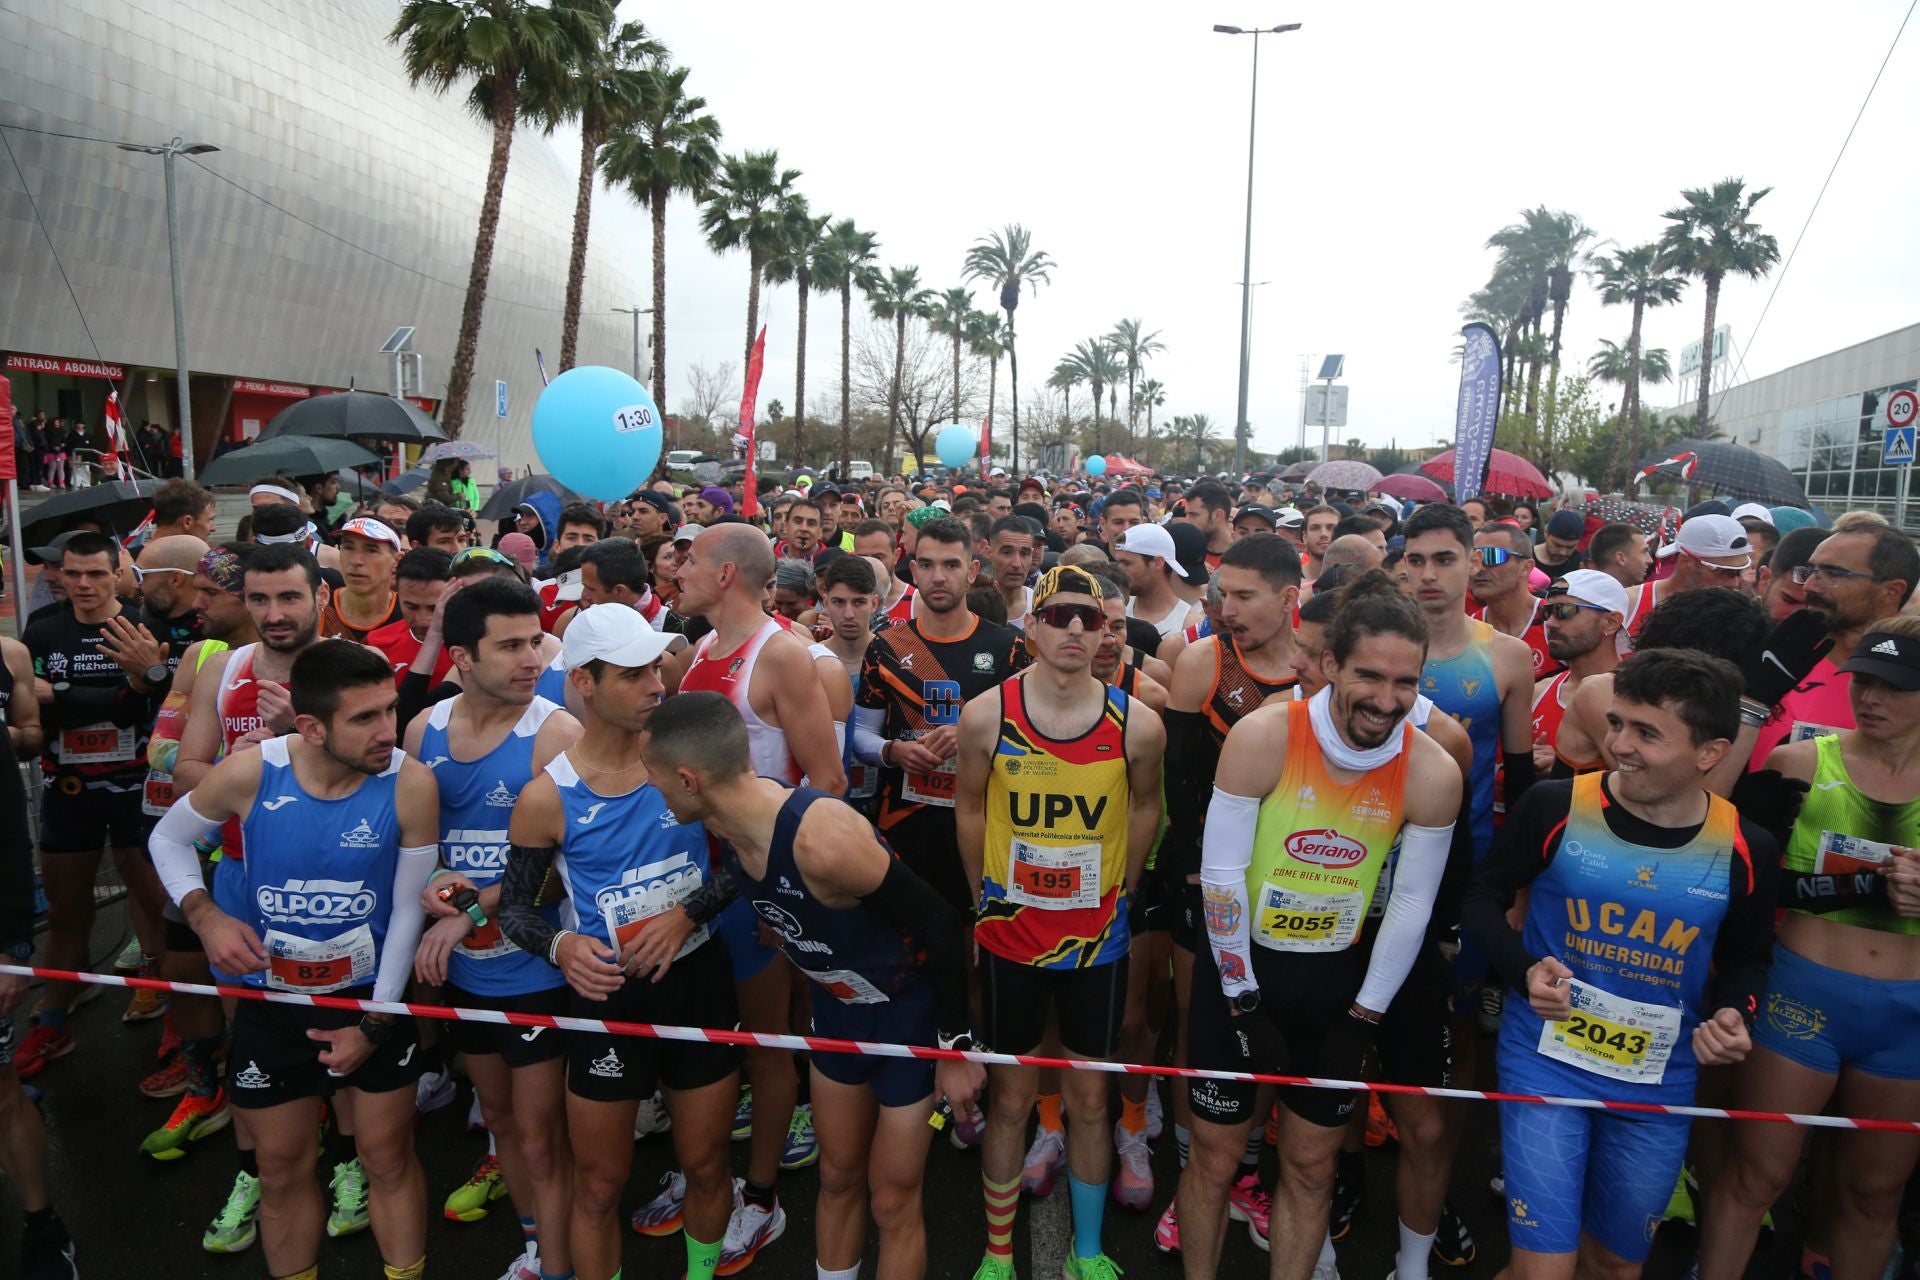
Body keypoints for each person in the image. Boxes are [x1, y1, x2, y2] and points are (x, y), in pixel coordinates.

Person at [641, 691, 984, 1280]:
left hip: (909, 1025)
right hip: (837, 1019)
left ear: (689, 780)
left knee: (892, 1200)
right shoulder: (735, 826)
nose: (653, 793)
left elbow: (940, 925)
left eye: (655, 780)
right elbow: (744, 873)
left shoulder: (821, 838)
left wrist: (955, 1049)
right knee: (837, 1178)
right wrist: (704, 917)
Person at [1464, 649, 1778, 1280]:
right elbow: (1479, 899)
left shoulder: (1748, 846)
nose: (1619, 745)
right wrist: (1522, 969)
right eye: (1616, 724)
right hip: (1546, 1059)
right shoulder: (1555, 806)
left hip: (1658, 1078)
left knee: (1614, 1264)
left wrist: (1734, 1014)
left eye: (1646, 733)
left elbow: (1749, 959)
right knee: (1544, 1268)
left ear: (1710, 753)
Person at [1188, 570, 1462, 1280]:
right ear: (1330, 664)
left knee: (1310, 1165)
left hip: (1336, 982)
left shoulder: (1431, 770)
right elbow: (1220, 881)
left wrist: (1364, 1017)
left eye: (1407, 683)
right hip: (1238, 971)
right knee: (1216, 1159)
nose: (1387, 699)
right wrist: (1241, 998)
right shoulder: (1264, 736)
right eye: (1370, 675)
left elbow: (1410, 904)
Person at [149, 640, 438, 1280]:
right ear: (310, 727)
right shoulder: (252, 772)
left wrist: (373, 1025)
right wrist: (206, 913)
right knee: (281, 1168)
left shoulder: (410, 784)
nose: (387, 732)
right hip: (272, 1003)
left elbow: (407, 915)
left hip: (370, 997)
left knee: (386, 1156)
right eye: (364, 718)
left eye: (389, 710)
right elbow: (167, 838)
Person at [495, 605, 741, 1280]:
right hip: (612, 1000)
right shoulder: (548, 797)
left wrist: (688, 914)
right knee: (600, 1184)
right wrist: (560, 949)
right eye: (633, 674)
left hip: (698, 981)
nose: (656, 684)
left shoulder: (689, 759)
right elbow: (515, 909)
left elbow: (747, 859)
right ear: (584, 682)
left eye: (656, 666)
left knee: (707, 1163)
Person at [955, 565, 1166, 1280]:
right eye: (1060, 615)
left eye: (1090, 617)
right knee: (1011, 1097)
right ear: (1032, 626)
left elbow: (1145, 808)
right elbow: (970, 808)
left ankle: (1086, 1249)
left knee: (1087, 1096)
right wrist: (981, 898)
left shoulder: (1139, 723)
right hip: (1012, 934)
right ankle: (997, 1251)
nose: (1076, 629)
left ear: (1109, 631)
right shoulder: (987, 715)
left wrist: (1123, 890)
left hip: (1094, 942)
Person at [1697, 618, 1920, 1280]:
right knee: (1755, 1177)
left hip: (1905, 1016)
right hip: (1804, 993)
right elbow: (1713, 843)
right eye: (1864, 682)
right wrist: (1858, 885)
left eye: (1894, 687)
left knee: (1874, 1194)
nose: (1869, 699)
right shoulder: (1801, 759)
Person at [669, 522, 845, 1263]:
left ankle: (762, 1196)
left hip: (754, 885)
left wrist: (783, 892)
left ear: (727, 573)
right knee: (704, 1040)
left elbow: (828, 782)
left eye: (690, 560)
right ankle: (699, 1174)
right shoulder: (698, 654)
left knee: (767, 1046)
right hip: (692, 878)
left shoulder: (780, 656)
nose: (677, 569)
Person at [405, 578, 582, 1280]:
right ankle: (537, 1244)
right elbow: (424, 852)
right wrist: (448, 901)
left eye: (534, 641)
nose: (531, 658)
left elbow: (559, 870)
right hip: (468, 968)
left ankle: (559, 1266)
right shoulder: (426, 730)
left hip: (536, 969)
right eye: (509, 645)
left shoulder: (557, 731)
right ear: (461, 658)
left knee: (541, 1138)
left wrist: (469, 910)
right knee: (502, 1121)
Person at [1154, 533, 1304, 1252]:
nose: (1228, 607)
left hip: (1292, 884)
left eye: (1245, 596)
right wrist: (1193, 870)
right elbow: (1179, 784)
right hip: (1206, 882)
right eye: (1223, 593)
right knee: (1198, 1027)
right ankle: (1195, 1177)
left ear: (1288, 598)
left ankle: (1245, 1170)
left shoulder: (1320, 672)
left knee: (1269, 1031)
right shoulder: (1201, 660)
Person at [12, 533, 161, 1078]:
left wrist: (67, 694)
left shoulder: (141, 625)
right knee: (65, 910)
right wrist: (116, 694)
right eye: (72, 574)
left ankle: (178, 1015)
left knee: (154, 900)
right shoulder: (45, 630)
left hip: (134, 786)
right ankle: (55, 1018)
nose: (82, 585)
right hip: (68, 789)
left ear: (117, 570)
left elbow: (139, 706)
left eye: (96, 574)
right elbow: (41, 714)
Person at [1749, 522, 1919, 764]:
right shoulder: (1770, 658)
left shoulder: (1912, 681)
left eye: (1834, 573)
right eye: (1811, 571)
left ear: (1891, 591)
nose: (1809, 586)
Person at [1531, 570, 1625, 777]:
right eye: (1547, 612)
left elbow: (1644, 786)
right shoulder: (1539, 692)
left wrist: (1563, 769)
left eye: (1564, 610)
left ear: (1611, 622)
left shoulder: (1635, 694)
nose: (1550, 623)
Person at [1625, 515, 1754, 643]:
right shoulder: (1629, 603)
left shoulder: (1740, 616)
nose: (1735, 583)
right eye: (1724, 572)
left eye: (1739, 572)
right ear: (1686, 561)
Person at [1471, 522, 1561, 679]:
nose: (1480, 568)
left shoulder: (1555, 622)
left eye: (1493, 556)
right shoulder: (1469, 629)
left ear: (1526, 567)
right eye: (1473, 559)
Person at [365, 547, 455, 689]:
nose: (423, 620)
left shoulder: (477, 645)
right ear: (397, 593)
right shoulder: (376, 644)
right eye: (412, 607)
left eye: (434, 608)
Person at [320, 516, 405, 642]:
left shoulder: (410, 614)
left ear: (396, 561)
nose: (356, 561)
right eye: (348, 547)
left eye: (371, 550)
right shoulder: (319, 608)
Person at [1115, 524, 1197, 641]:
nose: (1119, 570)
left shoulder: (1189, 625)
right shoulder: (1117, 609)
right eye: (1118, 562)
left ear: (1158, 563)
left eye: (1127, 563)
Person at [986, 515, 1039, 629]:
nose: (1017, 564)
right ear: (988, 553)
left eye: (1024, 553)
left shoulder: (1039, 607)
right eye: (1007, 552)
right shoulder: (969, 607)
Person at [1533, 509, 1587, 579]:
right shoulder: (1527, 557)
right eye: (1557, 545)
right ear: (1546, 533)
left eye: (1570, 547)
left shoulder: (1581, 564)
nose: (1563, 552)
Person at [1300, 505, 1340, 584]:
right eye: (1315, 528)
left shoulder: (1352, 580)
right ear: (1304, 537)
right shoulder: (1290, 579)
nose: (1323, 534)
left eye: (1331, 528)